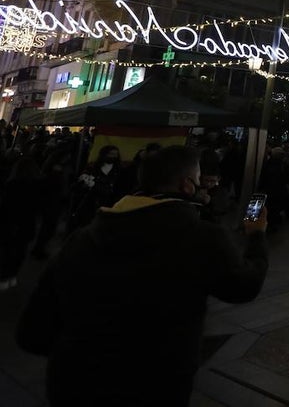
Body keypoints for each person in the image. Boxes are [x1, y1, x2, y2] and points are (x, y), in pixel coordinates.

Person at [16, 144, 269, 406]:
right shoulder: (201, 237)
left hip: (72, 383)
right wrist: (257, 237)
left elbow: (32, 333)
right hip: (153, 386)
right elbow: (244, 286)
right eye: (201, 181)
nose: (208, 188)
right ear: (186, 186)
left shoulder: (82, 238)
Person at [1, 154, 44, 289]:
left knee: (8, 251)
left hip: (11, 223)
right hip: (27, 223)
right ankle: (12, 276)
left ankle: (4, 277)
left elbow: (5, 206)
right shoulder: (38, 185)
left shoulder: (12, 184)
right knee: (20, 251)